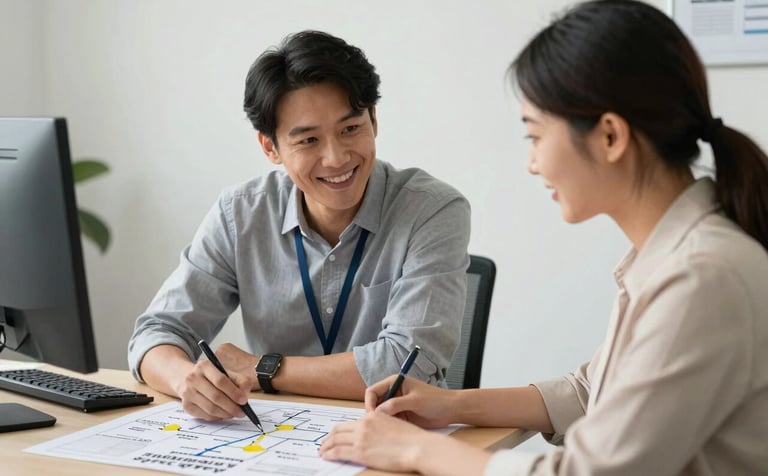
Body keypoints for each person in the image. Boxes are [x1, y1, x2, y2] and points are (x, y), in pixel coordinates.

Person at [318, 1, 768, 474]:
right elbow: (591, 390)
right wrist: (449, 405)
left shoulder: (702, 278)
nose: (532, 163)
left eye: (535, 136)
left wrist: (414, 449)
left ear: (610, 137)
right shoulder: (673, 255)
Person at [127, 30, 471, 421]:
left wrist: (262, 369)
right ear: (270, 147)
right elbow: (156, 332)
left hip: (397, 435)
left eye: (351, 129)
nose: (336, 158)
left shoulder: (432, 209)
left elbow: (409, 365)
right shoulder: (240, 214)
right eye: (308, 140)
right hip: (275, 437)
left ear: (374, 119)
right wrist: (186, 380)